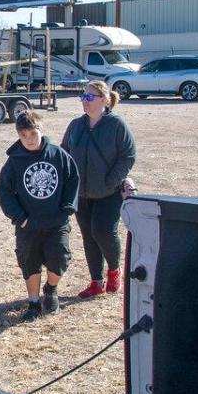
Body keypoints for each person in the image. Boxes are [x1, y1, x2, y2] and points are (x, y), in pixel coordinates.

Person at [0, 110, 80, 321]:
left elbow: (73, 180)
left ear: (40, 130)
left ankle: (51, 290)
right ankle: (33, 303)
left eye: (33, 134)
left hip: (56, 220)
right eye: (24, 135)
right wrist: (19, 217)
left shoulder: (57, 154)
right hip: (28, 223)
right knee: (29, 261)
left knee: (59, 257)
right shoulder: (14, 161)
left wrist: (68, 207)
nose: (29, 140)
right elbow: (5, 192)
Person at [61, 81, 136, 299]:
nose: (85, 101)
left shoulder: (116, 125)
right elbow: (64, 153)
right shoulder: (76, 125)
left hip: (108, 192)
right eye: (83, 97)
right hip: (81, 194)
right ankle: (96, 281)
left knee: (103, 231)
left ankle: (114, 270)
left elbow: (128, 155)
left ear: (103, 99)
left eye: (90, 97)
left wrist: (112, 181)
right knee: (88, 236)